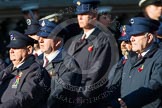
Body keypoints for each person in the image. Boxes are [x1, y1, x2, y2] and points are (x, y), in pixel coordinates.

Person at [67, 0, 118, 107]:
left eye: (84, 14)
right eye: (78, 14)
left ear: (94, 16)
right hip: (72, 96)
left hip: (89, 100)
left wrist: (81, 100)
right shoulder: (77, 39)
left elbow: (96, 74)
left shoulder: (103, 39)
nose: (79, 18)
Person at [110, 17, 162, 108]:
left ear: (149, 37)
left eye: (136, 35)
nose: (131, 39)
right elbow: (119, 86)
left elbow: (155, 86)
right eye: (131, 35)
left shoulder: (159, 57)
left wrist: (129, 102)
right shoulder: (131, 58)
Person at [0, 31, 51, 108]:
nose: (11, 51)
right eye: (10, 48)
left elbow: (25, 97)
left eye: (16, 48)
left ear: (29, 49)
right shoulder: (8, 70)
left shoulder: (35, 70)